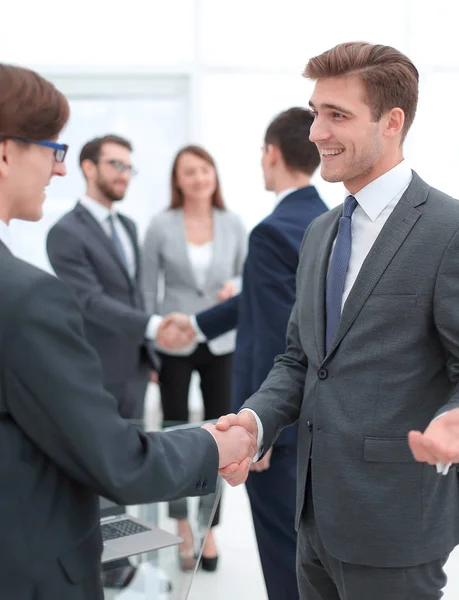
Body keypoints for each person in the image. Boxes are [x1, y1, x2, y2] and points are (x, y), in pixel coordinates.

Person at [0, 63, 255, 600]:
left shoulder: (169, 226)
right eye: (53, 149)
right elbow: (120, 463)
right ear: (6, 152)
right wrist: (218, 442)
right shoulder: (28, 296)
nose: (59, 169)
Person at [216, 42, 459, 599]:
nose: (317, 132)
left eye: (337, 115)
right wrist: (253, 426)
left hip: (395, 523)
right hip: (312, 517)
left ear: (392, 122)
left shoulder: (448, 229)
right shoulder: (321, 232)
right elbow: (301, 360)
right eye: (315, 113)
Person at [161, 108, 327, 598]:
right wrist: (195, 323)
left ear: (271, 153)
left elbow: (278, 335)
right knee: (309, 543)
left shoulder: (270, 229)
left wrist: (261, 425)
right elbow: (256, 301)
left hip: (278, 426)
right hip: (318, 415)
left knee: (283, 549)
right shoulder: (328, 220)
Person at [142, 144, 247, 571]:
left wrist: (234, 285)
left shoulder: (233, 223)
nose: (199, 178)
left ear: (214, 176)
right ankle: (182, 525)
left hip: (221, 341)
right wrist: (149, 348)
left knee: (219, 431)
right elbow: (148, 290)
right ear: (178, 180)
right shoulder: (161, 225)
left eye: (205, 170)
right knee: (175, 431)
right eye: (190, 172)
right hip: (175, 341)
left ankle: (210, 528)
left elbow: (247, 274)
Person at [46, 135, 181, 421]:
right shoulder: (65, 232)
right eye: (116, 164)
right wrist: (154, 326)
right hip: (96, 366)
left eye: (129, 168)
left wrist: (149, 354)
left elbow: (136, 294)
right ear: (88, 168)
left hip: (136, 368)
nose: (124, 175)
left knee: (136, 451)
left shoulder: (128, 226)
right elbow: (90, 301)